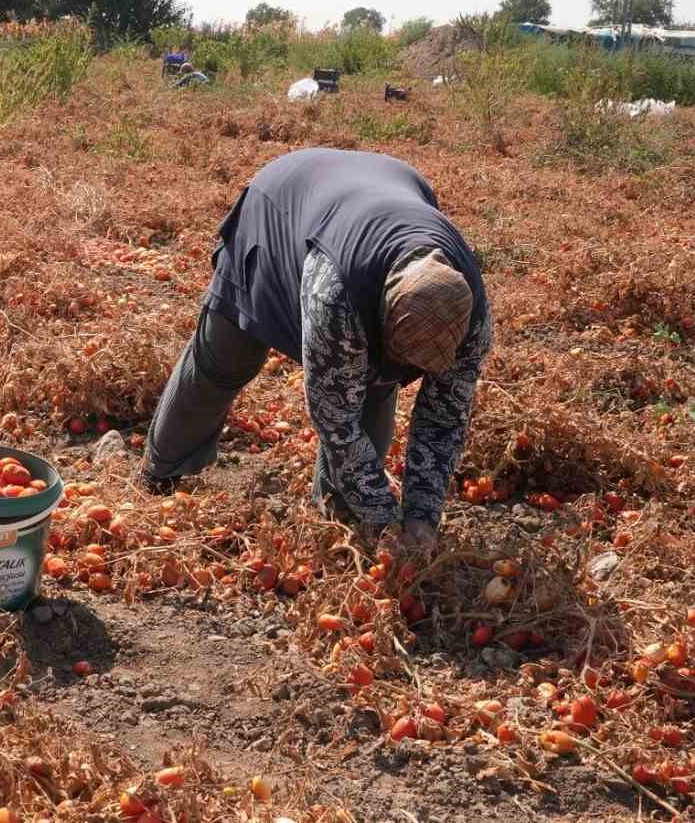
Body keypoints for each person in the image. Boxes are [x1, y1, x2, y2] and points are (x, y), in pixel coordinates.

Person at [139, 148, 492, 553]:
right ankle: (162, 471)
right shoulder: (337, 295)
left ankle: (341, 519)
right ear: (380, 315)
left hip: (375, 195)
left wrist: (420, 518)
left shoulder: (472, 319)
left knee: (375, 388)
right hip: (279, 209)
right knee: (227, 358)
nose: (403, 371)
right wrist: (383, 514)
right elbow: (336, 420)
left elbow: (443, 420)